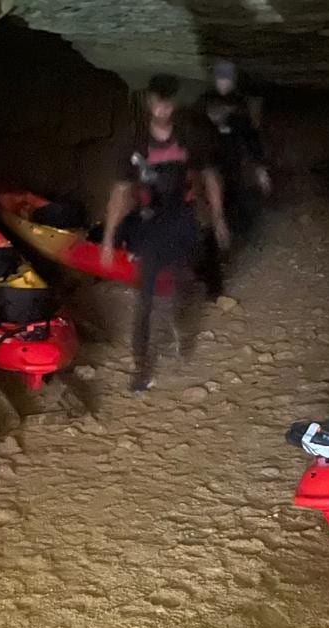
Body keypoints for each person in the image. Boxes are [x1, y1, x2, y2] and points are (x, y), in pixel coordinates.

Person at [102, 74, 228, 392]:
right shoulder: (136, 142)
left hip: (182, 219)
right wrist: (108, 237)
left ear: (173, 104)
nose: (162, 109)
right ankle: (142, 368)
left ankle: (182, 332)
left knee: (184, 284)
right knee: (144, 298)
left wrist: (218, 217)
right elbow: (121, 190)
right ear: (150, 103)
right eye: (157, 102)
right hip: (151, 221)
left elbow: (210, 176)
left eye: (167, 102)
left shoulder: (188, 136)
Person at [196, 60, 271, 297]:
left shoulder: (239, 108)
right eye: (221, 79)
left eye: (227, 79)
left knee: (231, 211)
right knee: (208, 220)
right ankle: (208, 266)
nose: (224, 83)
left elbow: (251, 139)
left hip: (232, 170)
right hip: (206, 171)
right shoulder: (203, 103)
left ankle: (223, 252)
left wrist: (260, 168)